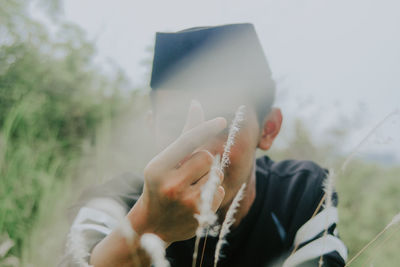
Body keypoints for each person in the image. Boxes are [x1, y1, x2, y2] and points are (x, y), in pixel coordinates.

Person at [61, 23, 347, 267]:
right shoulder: (114, 203)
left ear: (268, 129)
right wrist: (150, 227)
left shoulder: (299, 195)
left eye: (223, 125)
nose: (199, 152)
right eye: (176, 127)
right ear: (153, 131)